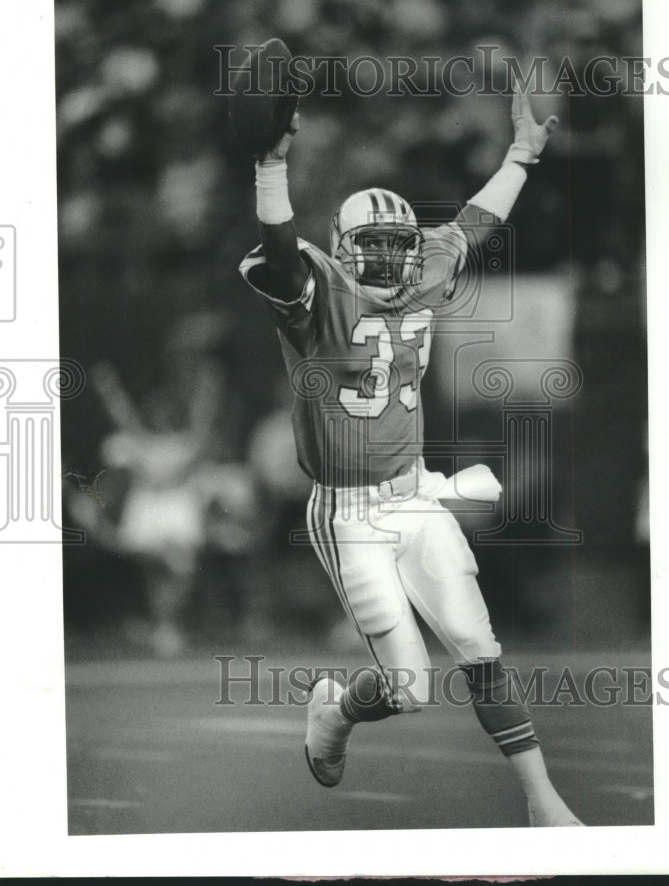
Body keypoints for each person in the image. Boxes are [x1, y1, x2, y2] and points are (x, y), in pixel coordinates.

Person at [238, 88, 583, 827]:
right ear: (341, 247)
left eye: (399, 246)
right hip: (349, 511)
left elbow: (478, 221)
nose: (390, 258)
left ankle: (541, 799)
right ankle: (335, 710)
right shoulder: (317, 290)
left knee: (479, 645)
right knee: (408, 688)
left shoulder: (428, 264)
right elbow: (275, 242)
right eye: (373, 246)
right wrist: (272, 161)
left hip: (416, 493)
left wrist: (522, 155)